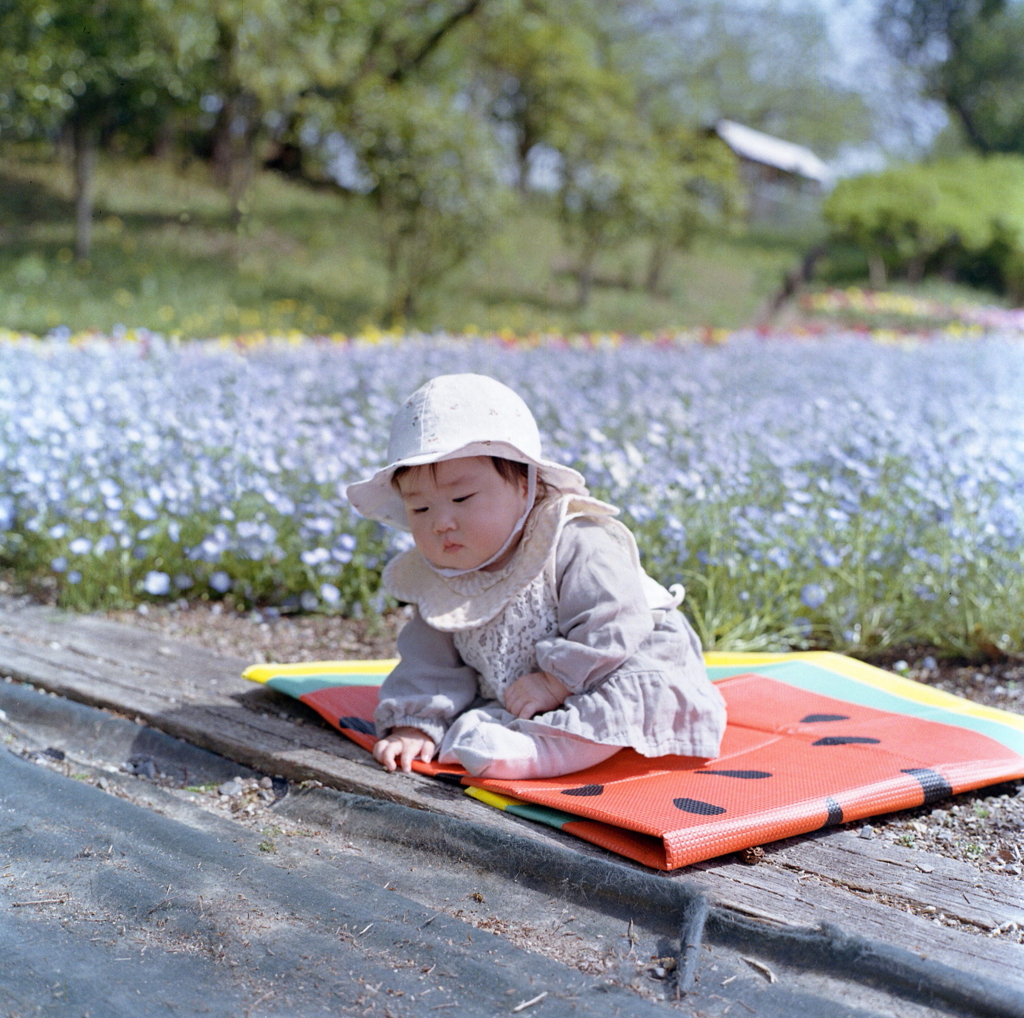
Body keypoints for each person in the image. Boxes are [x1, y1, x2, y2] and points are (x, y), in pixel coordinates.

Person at [346, 373, 726, 780]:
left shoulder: (575, 540)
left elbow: (614, 619)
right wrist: (412, 722)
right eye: (419, 509)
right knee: (471, 719)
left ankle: (542, 750)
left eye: (461, 498)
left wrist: (555, 682)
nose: (441, 523)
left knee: (620, 701)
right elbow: (429, 661)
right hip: (524, 691)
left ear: (527, 486)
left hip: (614, 659)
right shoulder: (442, 575)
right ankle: (512, 736)